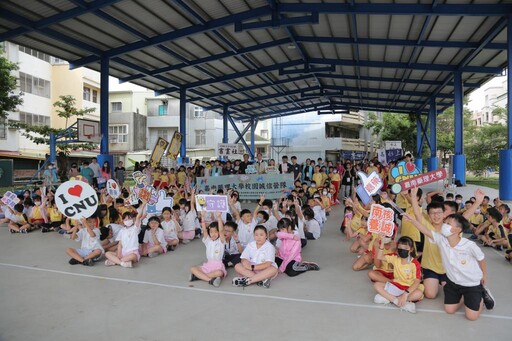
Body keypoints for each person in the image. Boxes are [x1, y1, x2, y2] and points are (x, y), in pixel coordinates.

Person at [403, 211, 494, 321]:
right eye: (445, 222)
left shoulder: (469, 245)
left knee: (471, 317)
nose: (444, 225)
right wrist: (412, 220)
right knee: (449, 310)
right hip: (453, 282)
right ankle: (464, 296)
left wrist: (484, 275)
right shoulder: (442, 240)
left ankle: (482, 295)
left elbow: (481, 259)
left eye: (448, 224)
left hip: (471, 283)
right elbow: (425, 230)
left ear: (457, 230)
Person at [373, 236, 424, 314]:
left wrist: (405, 294)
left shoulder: (415, 263)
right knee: (377, 285)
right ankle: (398, 302)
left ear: (411, 250)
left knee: (419, 293)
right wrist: (382, 243)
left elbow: (417, 282)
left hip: (409, 288)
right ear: (397, 249)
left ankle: (390, 298)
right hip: (397, 285)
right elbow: (379, 257)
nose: (402, 250)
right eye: (400, 248)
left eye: (405, 248)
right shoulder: (394, 258)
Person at [190, 211, 226, 287]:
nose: (213, 234)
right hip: (208, 264)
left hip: (218, 265)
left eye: (216, 232)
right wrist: (202, 216)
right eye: (211, 232)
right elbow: (204, 230)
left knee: (220, 273)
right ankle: (210, 280)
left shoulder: (221, 241)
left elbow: (221, 230)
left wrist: (219, 217)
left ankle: (198, 277)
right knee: (193, 268)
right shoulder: (208, 240)